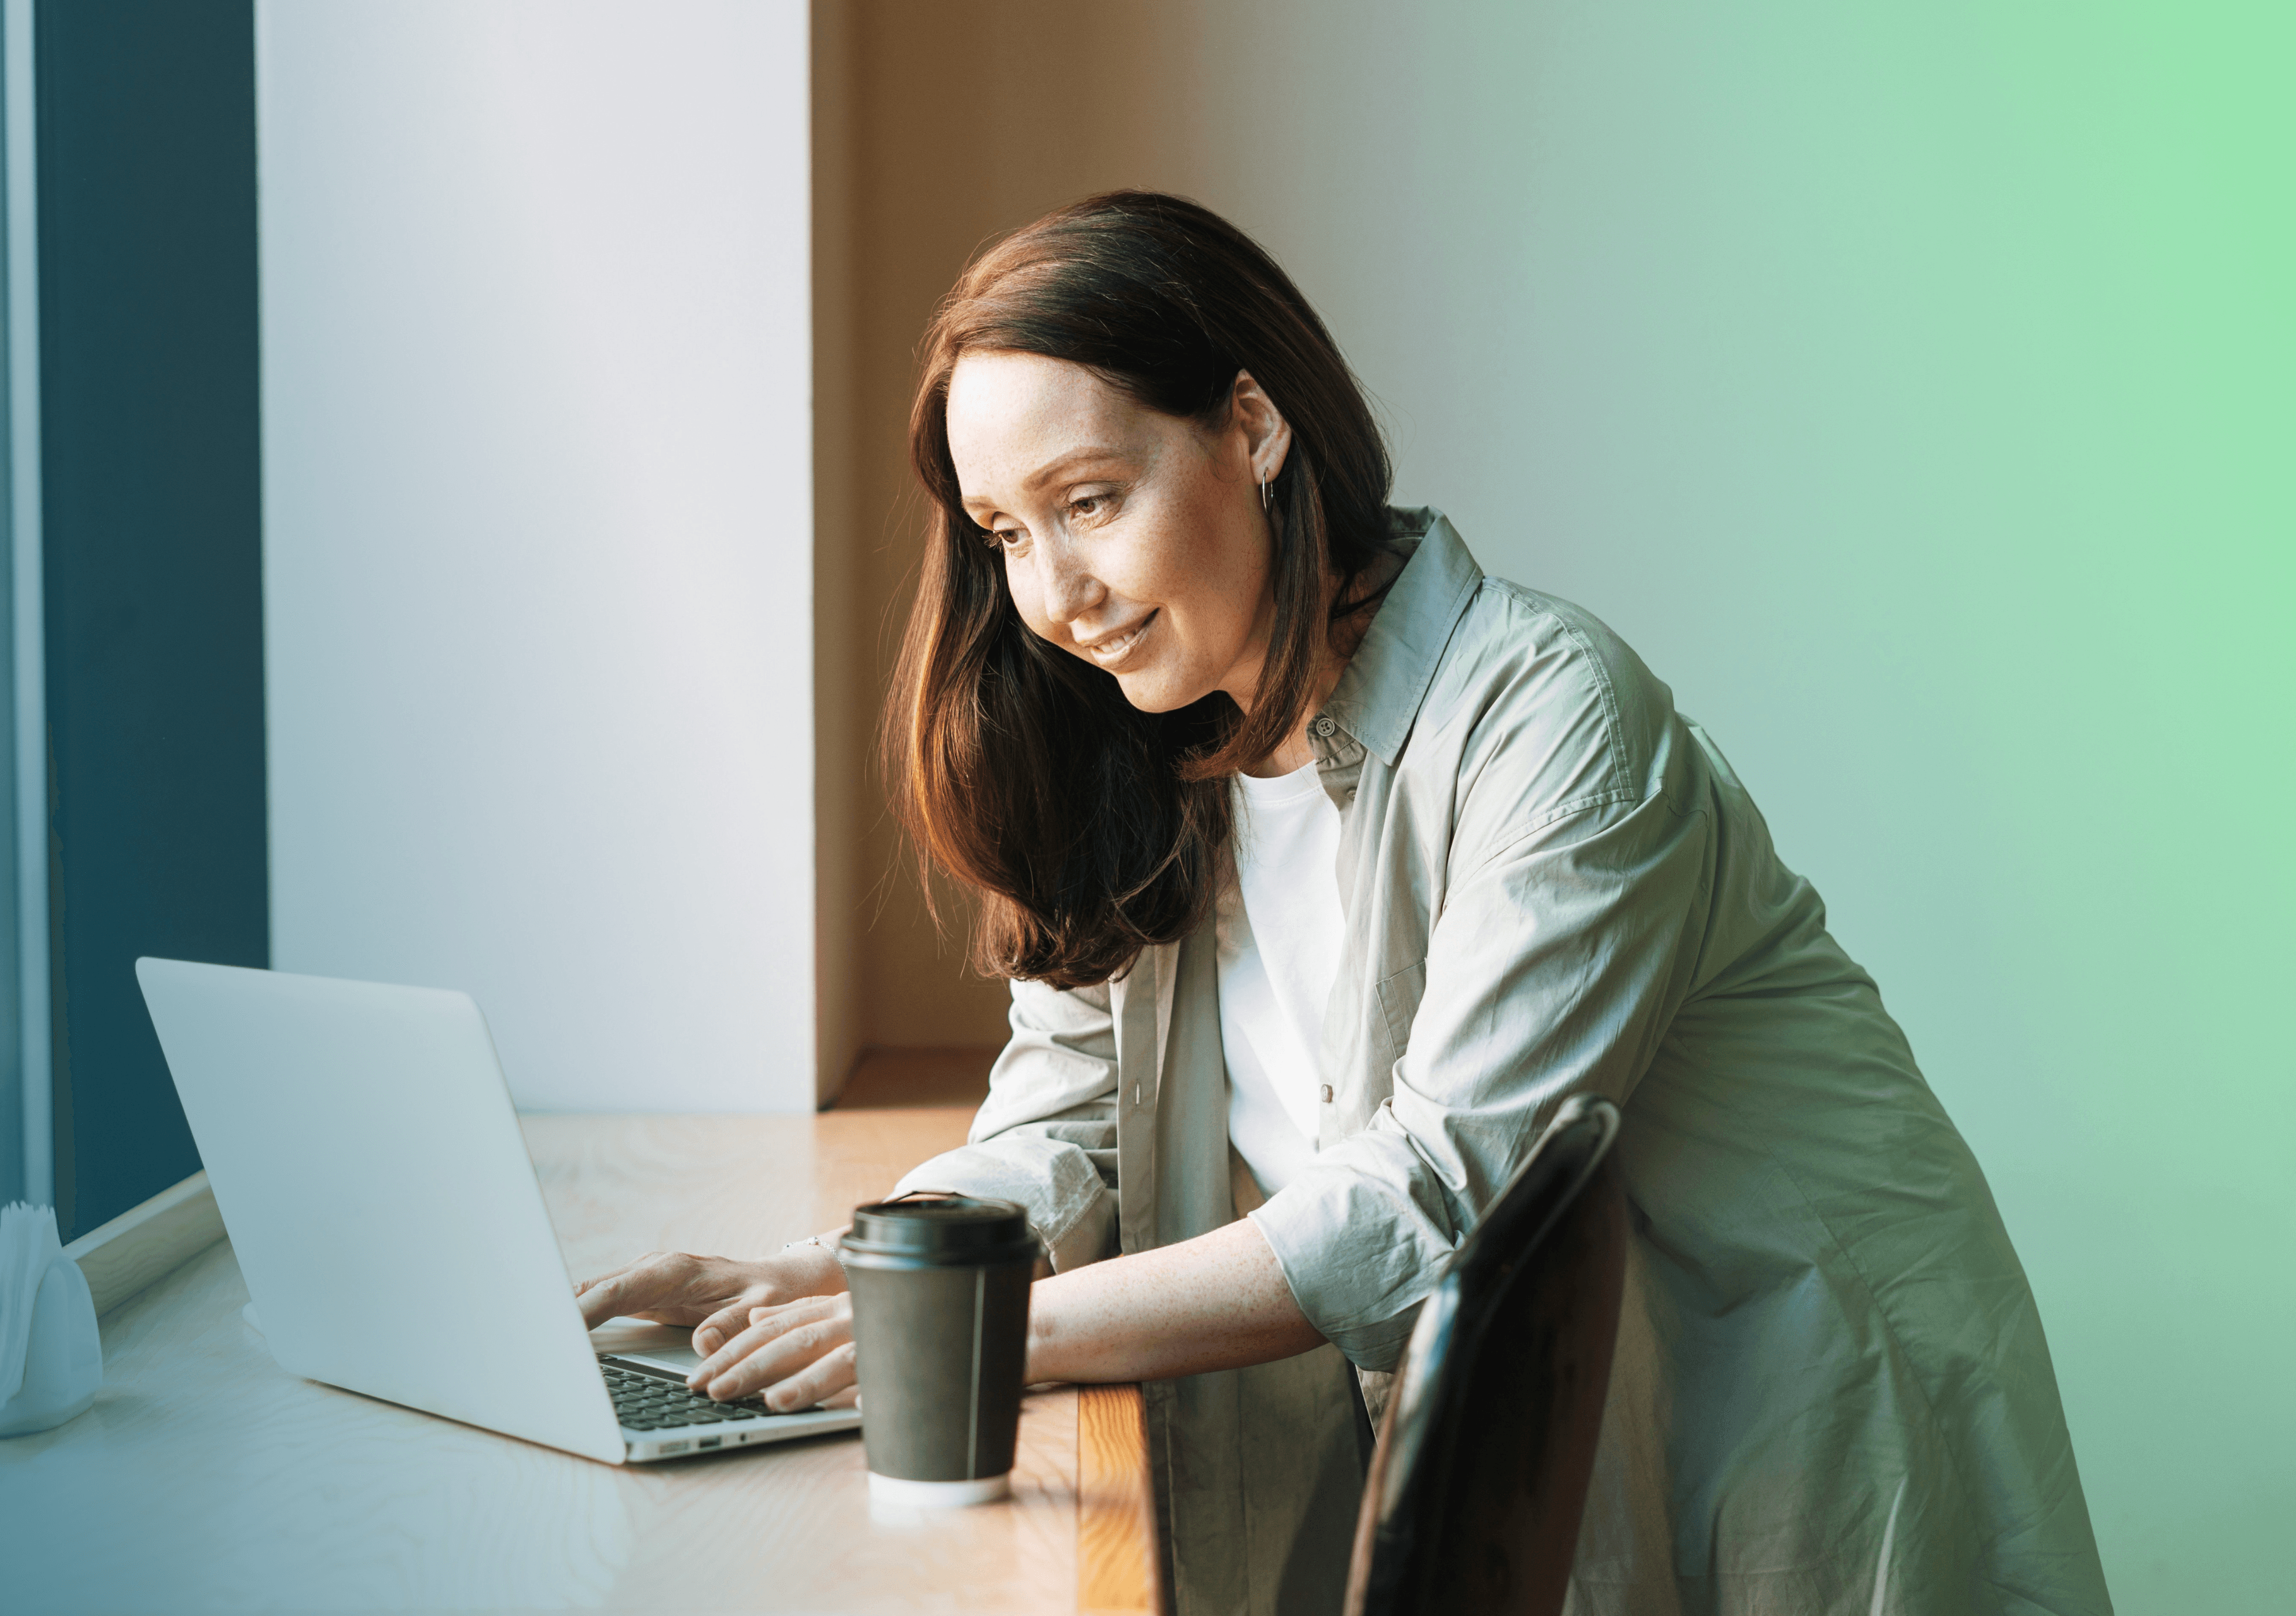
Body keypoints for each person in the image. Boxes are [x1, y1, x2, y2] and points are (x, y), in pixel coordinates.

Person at [576, 192, 2112, 1616]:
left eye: (1089, 498)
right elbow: (1066, 1125)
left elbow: (1435, 1195)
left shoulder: (1554, 714)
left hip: (1805, 1407)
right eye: (1005, 534)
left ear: (1250, 421)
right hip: (1561, 1437)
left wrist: (981, 1337)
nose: (1052, 594)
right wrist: (868, 1264)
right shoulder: (1156, 753)